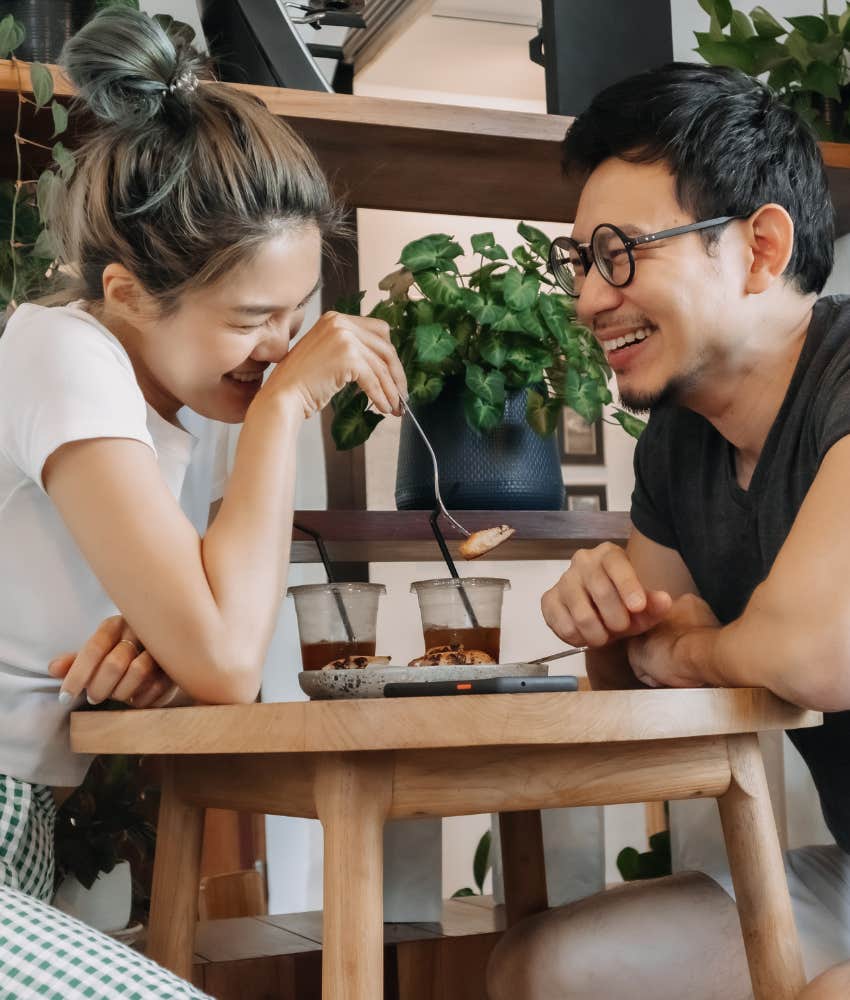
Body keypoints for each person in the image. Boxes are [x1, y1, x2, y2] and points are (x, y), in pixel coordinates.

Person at [0, 8, 406, 998]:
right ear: (128, 293)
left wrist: (164, 647)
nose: (282, 346)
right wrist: (286, 408)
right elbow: (228, 658)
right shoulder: (62, 353)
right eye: (253, 319)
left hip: (24, 828)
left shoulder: (167, 405)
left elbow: (210, 652)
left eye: (300, 315)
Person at [488, 62, 850, 998]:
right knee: (548, 970)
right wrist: (605, 623)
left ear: (760, 248)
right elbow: (646, 678)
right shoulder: (679, 445)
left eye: (622, 253)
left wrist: (690, 650)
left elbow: (815, 655)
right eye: (583, 265)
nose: (589, 299)